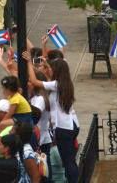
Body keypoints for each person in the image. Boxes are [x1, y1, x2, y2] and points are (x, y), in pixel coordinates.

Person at [24, 52, 79, 182]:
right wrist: (46, 63)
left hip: (63, 128)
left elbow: (34, 81)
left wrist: (28, 63)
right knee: (70, 159)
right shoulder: (64, 83)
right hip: (71, 124)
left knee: (68, 161)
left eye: (50, 68)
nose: (49, 70)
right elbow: (47, 75)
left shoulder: (56, 84)